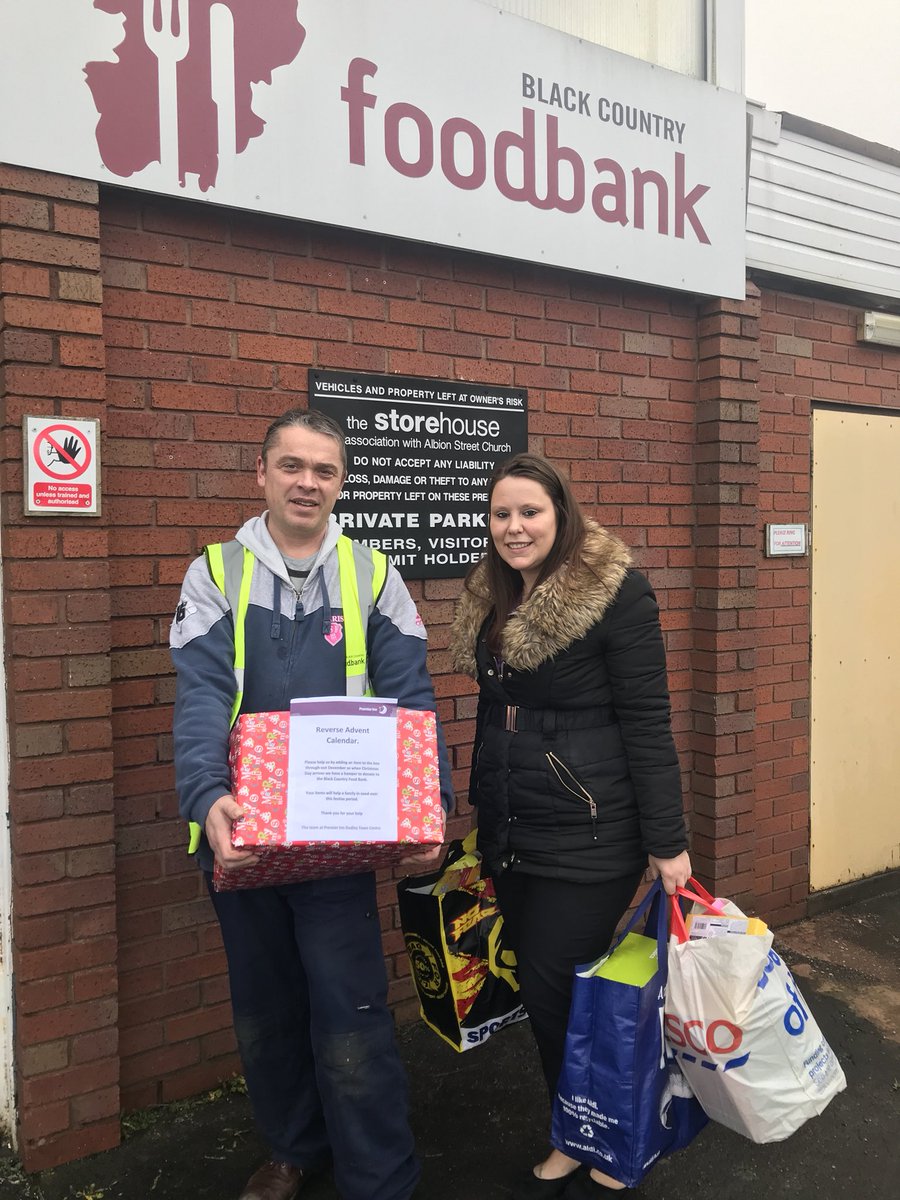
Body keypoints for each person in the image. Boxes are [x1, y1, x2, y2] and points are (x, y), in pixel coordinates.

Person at [170, 409, 451, 1200]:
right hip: (243, 838)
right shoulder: (215, 574)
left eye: (324, 470)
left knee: (353, 1011)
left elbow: (411, 700)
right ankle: (293, 1148)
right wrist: (206, 794)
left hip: (339, 843)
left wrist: (427, 808)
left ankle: (379, 1178)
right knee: (264, 1010)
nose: (307, 481)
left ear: (341, 482)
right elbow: (198, 698)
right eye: (291, 465)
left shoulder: (373, 574)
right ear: (260, 473)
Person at [449, 453, 691, 1200]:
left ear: (561, 514)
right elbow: (498, 718)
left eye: (530, 512)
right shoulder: (491, 596)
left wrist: (668, 844)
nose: (514, 527)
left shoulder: (618, 594)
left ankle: (609, 1137)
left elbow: (649, 723)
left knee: (559, 992)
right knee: (552, 994)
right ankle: (575, 1128)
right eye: (501, 514)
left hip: (594, 833)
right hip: (515, 830)